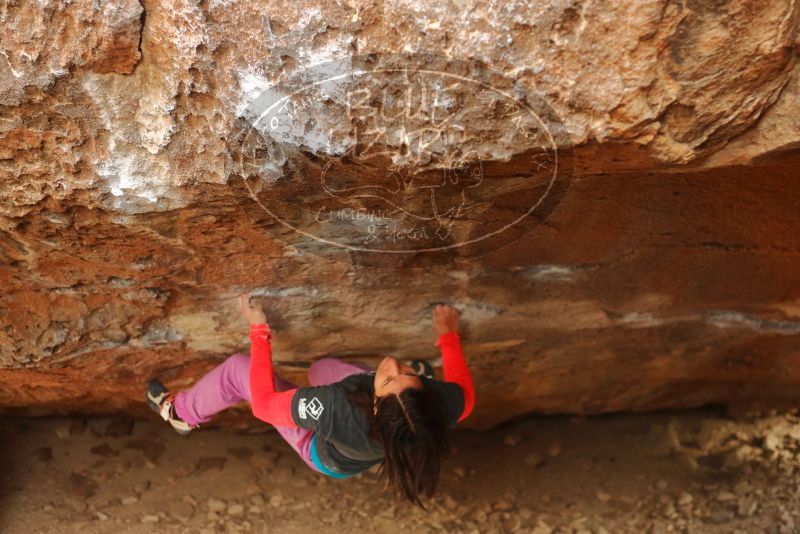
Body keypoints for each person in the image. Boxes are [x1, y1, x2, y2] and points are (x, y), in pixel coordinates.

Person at [146, 294, 475, 506]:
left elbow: (263, 404)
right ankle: (402, 385)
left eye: (391, 377)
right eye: (407, 373)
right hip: (371, 434)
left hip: (322, 452)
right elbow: (467, 395)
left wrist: (259, 332)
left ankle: (180, 413)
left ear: (376, 405)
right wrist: (448, 338)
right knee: (321, 369)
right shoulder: (438, 404)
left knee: (236, 372)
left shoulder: (336, 408)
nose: (391, 362)